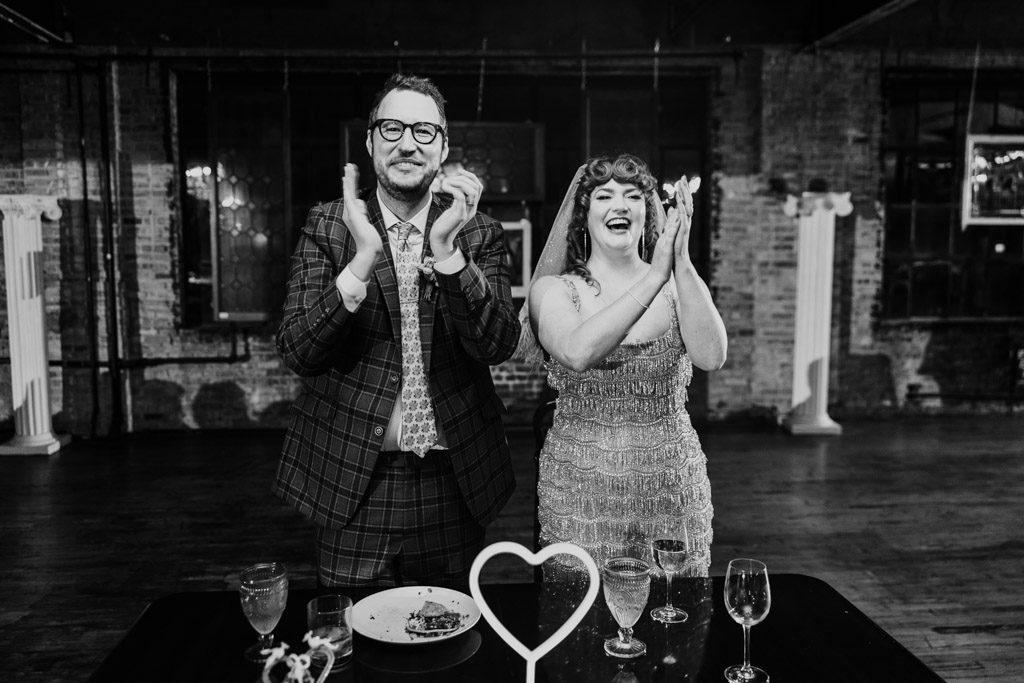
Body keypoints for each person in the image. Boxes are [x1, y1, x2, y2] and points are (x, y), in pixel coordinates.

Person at [273, 73, 520, 588]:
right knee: (351, 641)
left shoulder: (480, 233)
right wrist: (361, 262)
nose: (407, 142)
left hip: (454, 478)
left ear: (444, 146)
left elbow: (496, 344)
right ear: (370, 142)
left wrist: (449, 255)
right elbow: (299, 351)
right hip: (353, 477)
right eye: (391, 128)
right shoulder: (328, 226)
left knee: (453, 636)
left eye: (424, 131)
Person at [518, 154, 727, 579]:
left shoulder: (676, 284)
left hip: (671, 486)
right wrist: (653, 277)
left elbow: (711, 356)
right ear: (584, 215)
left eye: (633, 196)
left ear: (648, 213)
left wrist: (680, 262)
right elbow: (577, 353)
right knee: (580, 625)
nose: (620, 204)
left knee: (675, 620)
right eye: (604, 195)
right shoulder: (554, 290)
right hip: (581, 493)